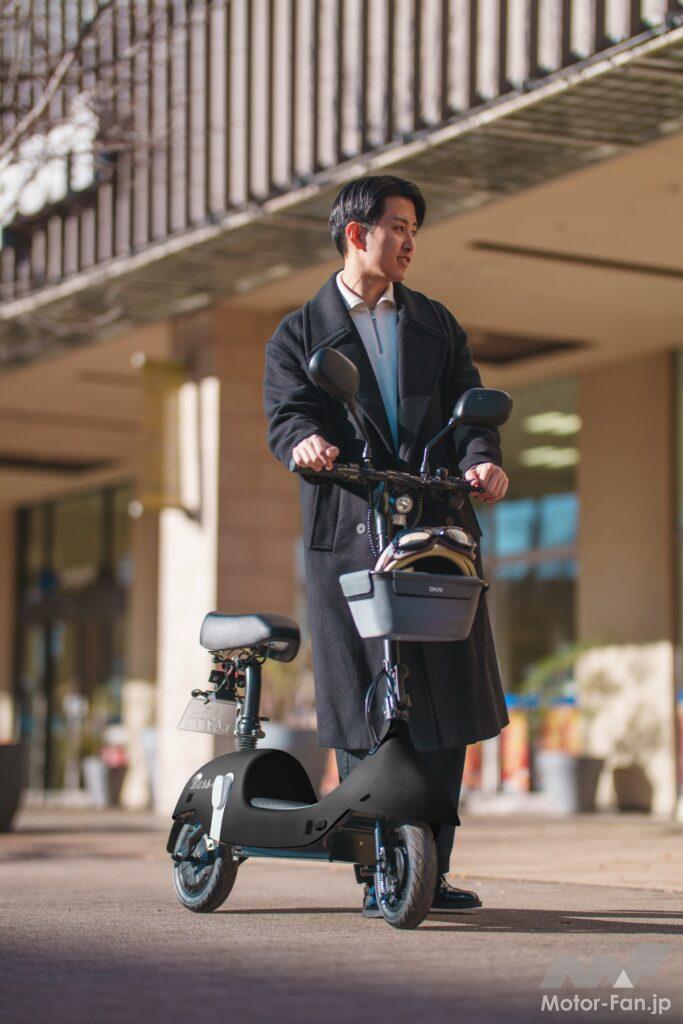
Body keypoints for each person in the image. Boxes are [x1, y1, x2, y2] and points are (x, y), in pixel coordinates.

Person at [263, 175, 509, 918]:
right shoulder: (298, 332)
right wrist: (303, 442)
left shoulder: (435, 323)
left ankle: (431, 868)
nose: (408, 242)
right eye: (397, 227)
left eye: (413, 230)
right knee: (364, 697)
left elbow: (471, 412)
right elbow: (287, 414)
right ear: (356, 234)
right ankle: (378, 870)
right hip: (349, 528)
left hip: (434, 526)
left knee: (443, 694)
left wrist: (482, 459)